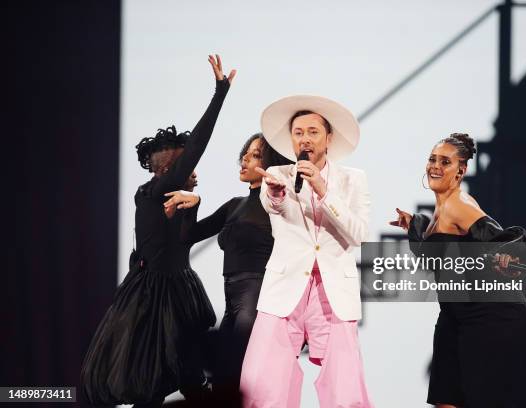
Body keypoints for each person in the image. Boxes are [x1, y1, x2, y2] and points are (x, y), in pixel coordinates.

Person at [80, 55, 235, 407]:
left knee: (185, 377)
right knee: (151, 381)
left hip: (178, 287)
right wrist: (220, 94)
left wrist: (198, 207)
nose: (193, 168)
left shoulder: (176, 196)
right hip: (157, 300)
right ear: (170, 167)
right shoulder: (158, 191)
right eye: (185, 163)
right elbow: (198, 145)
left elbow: (184, 240)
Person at [239, 95, 375, 407]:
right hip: (285, 288)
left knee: (345, 389)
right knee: (264, 384)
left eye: (313, 132)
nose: (305, 139)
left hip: (332, 292)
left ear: (329, 138)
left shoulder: (352, 180)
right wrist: (273, 195)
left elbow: (358, 234)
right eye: (298, 132)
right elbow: (276, 206)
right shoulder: (279, 174)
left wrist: (324, 191)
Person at [390, 133, 526, 408]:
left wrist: (507, 255)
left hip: (491, 316)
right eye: (432, 159)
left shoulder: (459, 206)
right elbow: (434, 255)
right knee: (445, 398)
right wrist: (413, 224)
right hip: (455, 315)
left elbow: (503, 240)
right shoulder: (441, 210)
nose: (435, 166)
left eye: (445, 161)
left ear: (461, 171)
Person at [162, 133, 292, 406]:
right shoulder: (235, 205)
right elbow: (188, 236)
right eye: (246, 152)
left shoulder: (280, 206)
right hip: (232, 303)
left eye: (255, 155)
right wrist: (193, 204)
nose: (244, 158)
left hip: (255, 299)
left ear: (272, 163)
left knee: (238, 376)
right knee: (221, 380)